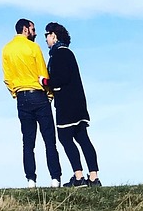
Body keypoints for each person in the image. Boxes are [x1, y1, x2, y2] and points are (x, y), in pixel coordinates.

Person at [2, 17, 62, 188]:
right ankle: (55, 178)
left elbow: (7, 77)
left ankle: (31, 180)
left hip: (22, 97)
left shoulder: (6, 49)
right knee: (49, 140)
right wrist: (49, 95)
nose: (35, 33)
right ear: (26, 30)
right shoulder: (33, 47)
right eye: (33, 30)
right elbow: (43, 73)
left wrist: (16, 92)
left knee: (28, 142)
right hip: (38, 95)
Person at [44, 22, 100, 187]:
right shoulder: (68, 53)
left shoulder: (59, 55)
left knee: (65, 137)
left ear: (54, 35)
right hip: (79, 104)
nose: (46, 39)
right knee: (82, 138)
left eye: (47, 35)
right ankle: (94, 177)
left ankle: (78, 176)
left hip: (66, 104)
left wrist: (45, 81)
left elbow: (60, 79)